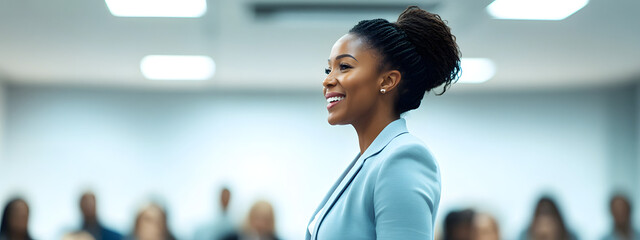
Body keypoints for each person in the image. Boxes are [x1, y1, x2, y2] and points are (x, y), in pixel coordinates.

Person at [307, 5, 460, 240]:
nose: (327, 80)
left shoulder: (403, 158)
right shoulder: (370, 160)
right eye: (329, 68)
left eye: (344, 66)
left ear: (388, 81)